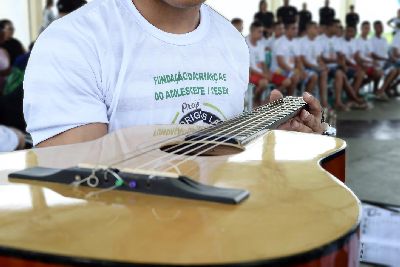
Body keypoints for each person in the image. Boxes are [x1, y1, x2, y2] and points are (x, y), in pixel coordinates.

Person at [24, 0, 326, 148]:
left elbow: (222, 159)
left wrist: (262, 137)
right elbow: (78, 193)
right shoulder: (75, 41)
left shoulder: (231, 41)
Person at [354, 21, 388, 99]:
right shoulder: (357, 41)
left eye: (368, 28)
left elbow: (370, 54)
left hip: (369, 65)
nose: (367, 30)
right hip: (361, 64)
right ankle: (354, 92)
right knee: (368, 72)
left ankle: (373, 89)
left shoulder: (369, 41)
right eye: (365, 28)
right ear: (361, 29)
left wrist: (374, 62)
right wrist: (368, 62)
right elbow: (357, 57)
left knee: (379, 72)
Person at [299, 22, 328, 108]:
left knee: (324, 72)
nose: (317, 30)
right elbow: (303, 60)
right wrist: (315, 67)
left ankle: (323, 101)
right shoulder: (302, 41)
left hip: (315, 67)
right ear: (309, 29)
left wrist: (323, 65)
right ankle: (306, 101)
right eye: (315, 28)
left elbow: (318, 58)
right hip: (305, 67)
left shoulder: (318, 42)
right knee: (314, 75)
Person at [270, 23, 303, 96]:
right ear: (286, 30)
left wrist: (301, 70)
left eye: (296, 28)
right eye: (293, 28)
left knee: (299, 75)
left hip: (289, 70)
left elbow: (298, 60)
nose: (296, 30)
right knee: (295, 76)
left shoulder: (296, 42)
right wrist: (294, 71)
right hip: (277, 70)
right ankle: (271, 99)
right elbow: (280, 63)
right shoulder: (280, 42)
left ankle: (288, 100)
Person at [370, 21, 399, 98]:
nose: (381, 28)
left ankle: (383, 89)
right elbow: (372, 55)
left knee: (396, 69)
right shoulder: (372, 40)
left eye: (382, 26)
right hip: (376, 63)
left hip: (385, 62)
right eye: (379, 26)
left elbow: (388, 52)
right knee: (391, 70)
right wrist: (385, 59)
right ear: (375, 28)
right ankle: (380, 90)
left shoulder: (384, 39)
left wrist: (391, 57)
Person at [246, 22, 270, 105]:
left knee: (269, 79)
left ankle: (258, 100)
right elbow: (247, 67)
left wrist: (266, 73)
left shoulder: (261, 45)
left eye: (262, 32)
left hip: (259, 74)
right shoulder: (244, 43)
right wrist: (264, 75)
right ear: (252, 31)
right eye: (259, 32)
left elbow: (263, 62)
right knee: (264, 82)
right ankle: (255, 102)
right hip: (248, 73)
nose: (261, 34)